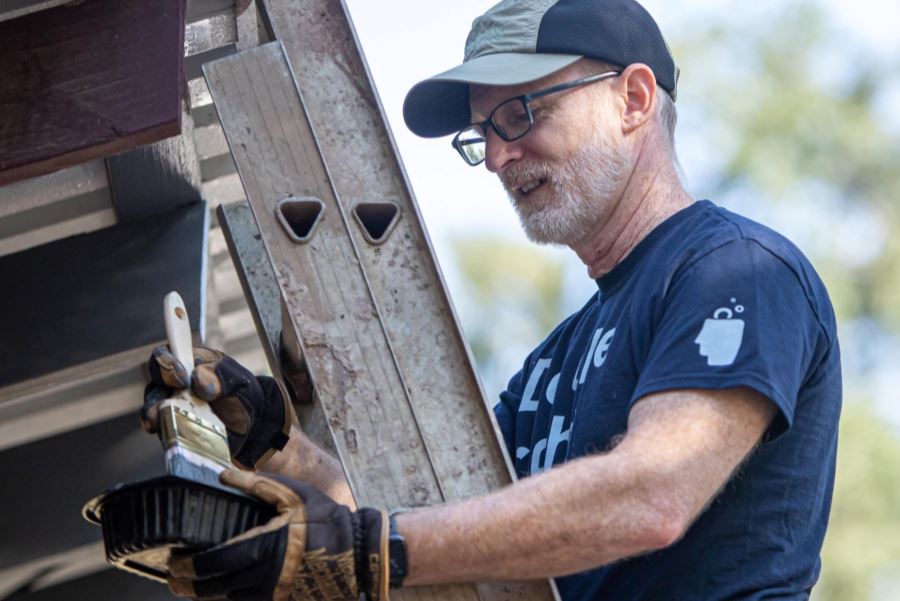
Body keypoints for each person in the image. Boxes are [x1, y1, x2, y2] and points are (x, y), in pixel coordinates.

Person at [142, 0, 842, 599]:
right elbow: (444, 515)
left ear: (633, 99)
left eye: (521, 112)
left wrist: (371, 548)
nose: (500, 156)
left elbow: (651, 495)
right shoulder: (553, 359)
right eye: (483, 134)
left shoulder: (738, 271)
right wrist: (273, 438)